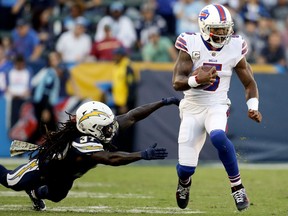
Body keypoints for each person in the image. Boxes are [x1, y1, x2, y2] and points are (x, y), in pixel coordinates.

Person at [0, 97, 179, 211]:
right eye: (106, 126)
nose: (111, 128)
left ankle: (34, 193)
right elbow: (110, 158)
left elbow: (132, 116)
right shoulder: (82, 142)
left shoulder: (96, 131)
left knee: (56, 196)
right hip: (44, 168)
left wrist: (161, 103)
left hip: (65, 176)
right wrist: (142, 154)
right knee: (11, 181)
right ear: (91, 128)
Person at [172, 4, 262, 212]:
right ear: (204, 27)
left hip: (217, 105)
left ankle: (237, 187)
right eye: (217, 29)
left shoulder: (235, 45)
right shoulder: (191, 42)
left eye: (225, 28)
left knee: (219, 137)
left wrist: (253, 105)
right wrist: (196, 79)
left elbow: (249, 83)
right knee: (185, 169)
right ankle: (184, 183)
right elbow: (177, 82)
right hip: (192, 107)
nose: (223, 33)